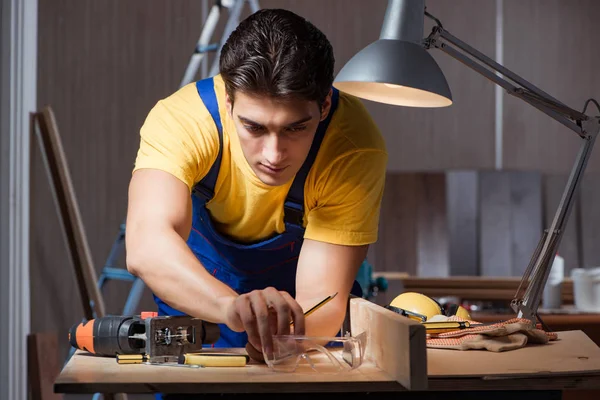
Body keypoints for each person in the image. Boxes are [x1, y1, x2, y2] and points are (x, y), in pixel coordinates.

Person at [125, 8, 388, 362]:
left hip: (297, 326)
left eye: (295, 128)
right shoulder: (183, 120)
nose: (274, 154)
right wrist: (230, 307)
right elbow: (147, 244)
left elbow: (321, 301)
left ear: (325, 104)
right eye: (254, 128)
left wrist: (285, 344)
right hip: (198, 311)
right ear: (229, 101)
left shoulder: (353, 146)